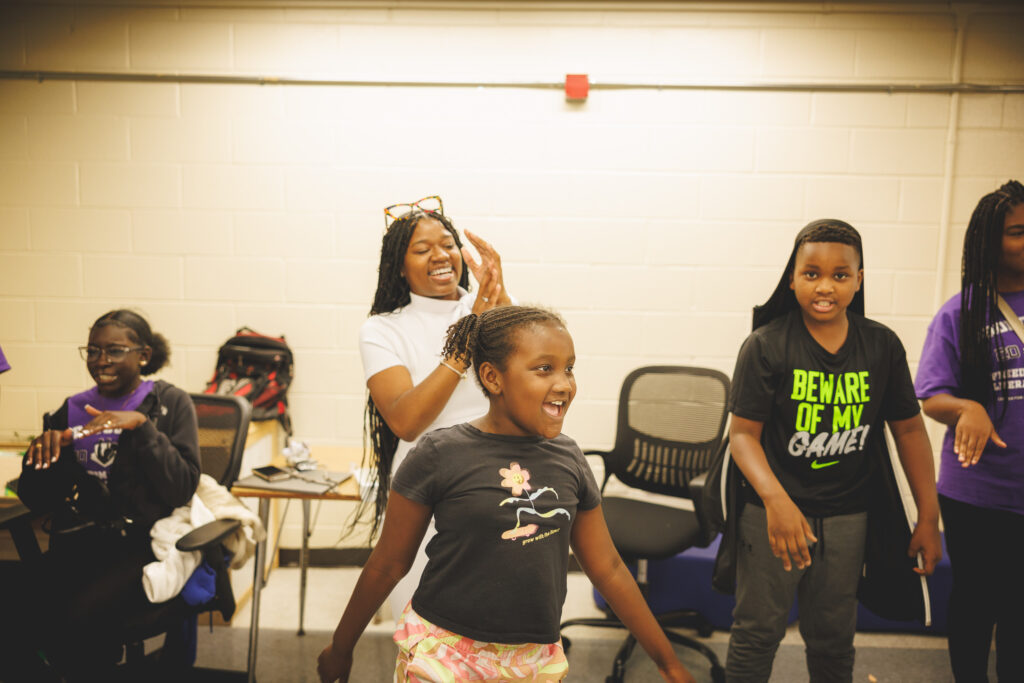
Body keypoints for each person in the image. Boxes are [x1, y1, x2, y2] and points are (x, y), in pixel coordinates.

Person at [320, 306, 694, 683]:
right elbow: (388, 564)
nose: (564, 383)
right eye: (544, 368)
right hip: (445, 652)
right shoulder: (439, 454)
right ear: (492, 378)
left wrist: (668, 663)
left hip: (534, 659)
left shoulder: (569, 459)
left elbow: (609, 569)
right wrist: (341, 647)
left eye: (569, 368)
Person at [725, 220, 942, 683]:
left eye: (840, 275)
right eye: (812, 273)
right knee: (757, 634)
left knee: (833, 640)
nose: (825, 286)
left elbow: (909, 431)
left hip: (847, 516)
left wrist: (928, 515)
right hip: (772, 515)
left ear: (859, 279)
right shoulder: (765, 345)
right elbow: (742, 436)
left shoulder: (881, 345)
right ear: (792, 277)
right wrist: (777, 501)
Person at [9, 309, 200, 680]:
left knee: (77, 618)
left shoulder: (169, 404)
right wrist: (42, 455)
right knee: (14, 602)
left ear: (143, 355)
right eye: (93, 351)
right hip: (80, 540)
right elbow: (39, 499)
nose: (100, 361)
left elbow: (181, 487)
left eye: (114, 351)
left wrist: (143, 429)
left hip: (139, 545)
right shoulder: (73, 409)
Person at [359, 195, 511, 616]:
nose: (440, 255)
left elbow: (524, 379)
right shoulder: (383, 329)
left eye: (447, 243)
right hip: (429, 484)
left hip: (498, 478)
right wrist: (467, 336)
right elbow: (406, 421)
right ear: (400, 266)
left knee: (498, 610)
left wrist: (497, 295)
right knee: (426, 618)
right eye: (422, 250)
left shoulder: (482, 303)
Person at [915, 180, 1024, 682]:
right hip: (977, 492)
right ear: (989, 242)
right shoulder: (961, 312)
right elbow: (932, 395)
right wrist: (967, 407)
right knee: (978, 605)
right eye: (1017, 232)